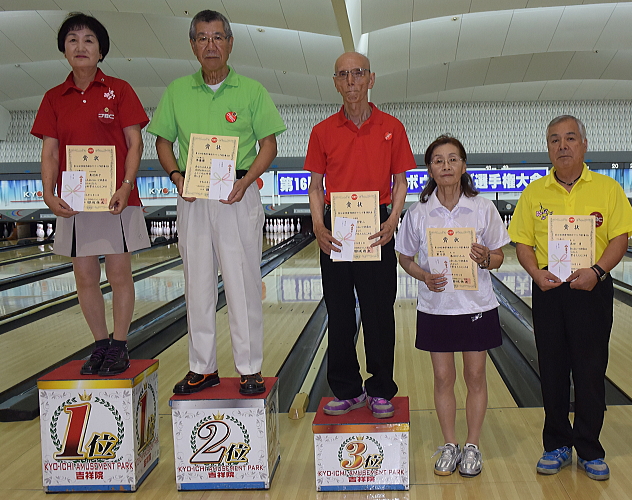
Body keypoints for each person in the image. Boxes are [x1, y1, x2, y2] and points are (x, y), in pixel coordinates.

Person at [148, 10, 286, 395]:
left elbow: (269, 144)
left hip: (236, 194)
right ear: (193, 45)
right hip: (193, 195)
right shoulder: (177, 91)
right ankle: (202, 367)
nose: (211, 45)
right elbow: (162, 142)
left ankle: (250, 368)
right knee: (197, 284)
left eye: (218, 37)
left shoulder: (252, 90)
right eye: (203, 38)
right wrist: (176, 177)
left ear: (230, 43)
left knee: (243, 282)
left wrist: (247, 181)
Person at [508, 115, 632, 481]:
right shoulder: (534, 192)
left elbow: (620, 238)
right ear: (548, 147)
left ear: (584, 144)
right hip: (549, 288)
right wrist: (535, 274)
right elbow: (523, 243)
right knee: (551, 370)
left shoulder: (608, 189)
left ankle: (590, 448)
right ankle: (556, 444)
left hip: (593, 287)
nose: (562, 145)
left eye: (570, 138)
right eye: (555, 140)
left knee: (590, 370)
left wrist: (597, 271)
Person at [31, 13, 150, 377]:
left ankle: (120, 345)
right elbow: (50, 152)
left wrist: (126, 185)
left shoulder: (120, 89)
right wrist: (48, 193)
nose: (80, 46)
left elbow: (135, 143)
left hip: (115, 197)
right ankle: (100, 344)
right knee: (84, 275)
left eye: (88, 40)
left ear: (101, 50)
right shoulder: (54, 98)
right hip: (75, 199)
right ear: (64, 49)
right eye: (72, 40)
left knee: (118, 272)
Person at [304, 52, 415, 418]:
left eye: (357, 73)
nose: (351, 81)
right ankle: (348, 389)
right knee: (338, 312)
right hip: (336, 227)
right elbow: (316, 186)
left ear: (371, 79)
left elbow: (401, 181)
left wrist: (393, 219)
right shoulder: (322, 131)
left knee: (378, 311)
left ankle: (380, 389)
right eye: (343, 75)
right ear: (335, 82)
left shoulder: (392, 127)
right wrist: (318, 225)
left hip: (376, 225)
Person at [396, 135, 509, 477]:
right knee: (443, 378)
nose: (446, 166)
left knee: (475, 376)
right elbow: (404, 257)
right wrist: (423, 275)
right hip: (436, 307)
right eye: (438, 160)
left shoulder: (482, 208)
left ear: (463, 166)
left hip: (476, 306)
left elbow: (499, 256)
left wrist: (486, 257)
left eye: (452, 159)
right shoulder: (419, 213)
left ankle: (472, 445)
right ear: (430, 169)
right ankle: (450, 444)